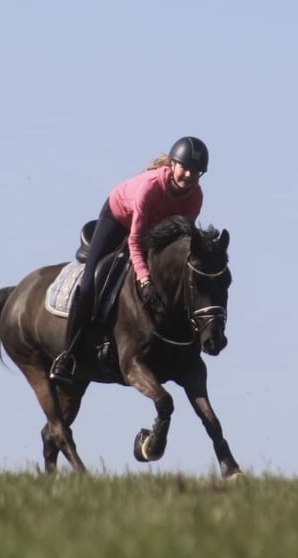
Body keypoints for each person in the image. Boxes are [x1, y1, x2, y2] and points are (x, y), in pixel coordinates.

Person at [49, 136, 209, 384]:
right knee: (92, 282)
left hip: (155, 230)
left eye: (196, 172)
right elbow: (134, 241)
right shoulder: (150, 188)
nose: (188, 175)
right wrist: (145, 281)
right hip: (119, 219)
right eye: (185, 168)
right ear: (173, 164)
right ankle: (67, 355)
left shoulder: (195, 197)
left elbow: (178, 239)